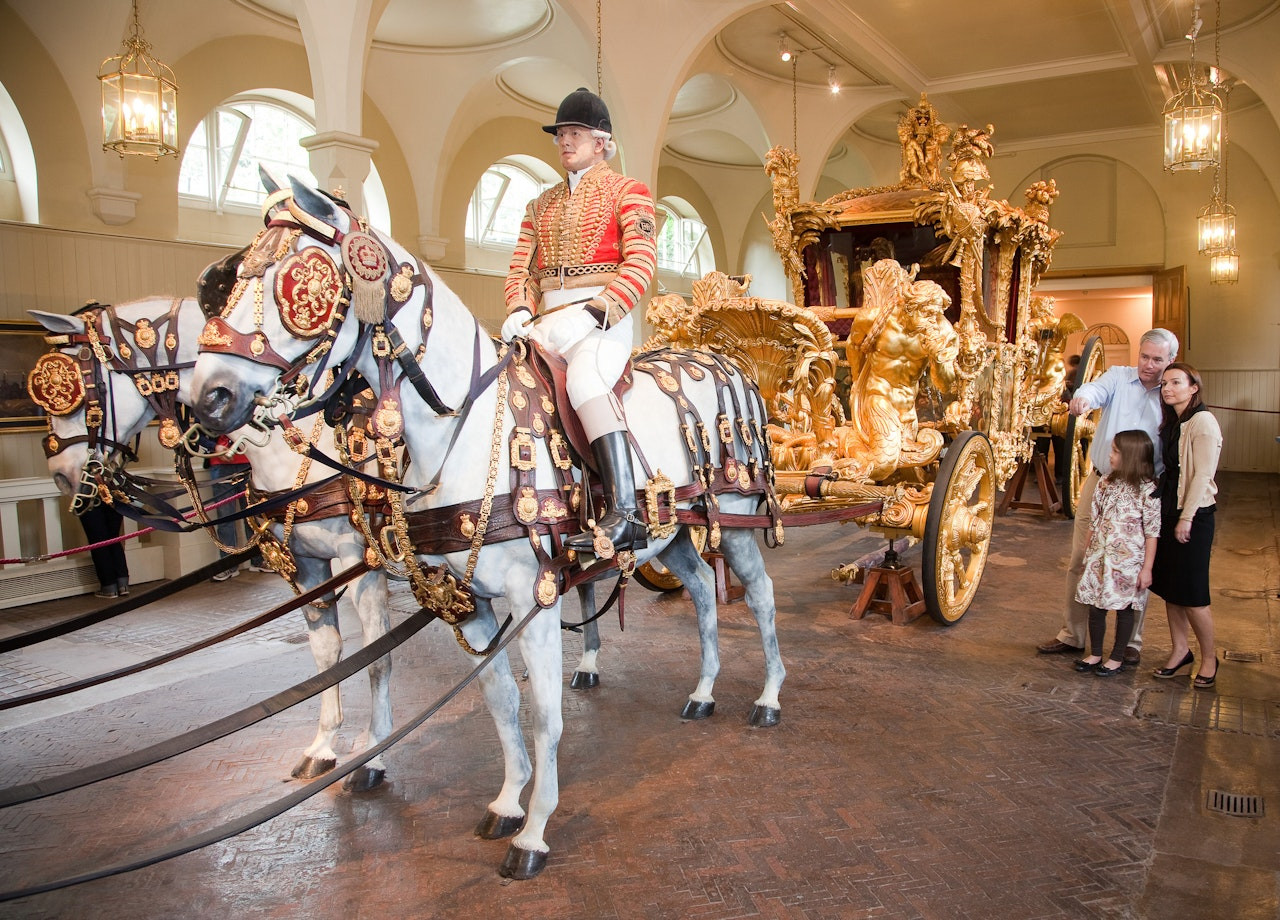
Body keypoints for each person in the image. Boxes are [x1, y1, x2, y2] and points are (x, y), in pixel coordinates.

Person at [501, 87, 658, 556]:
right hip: (547, 319)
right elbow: (520, 269)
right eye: (561, 135)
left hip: (601, 318)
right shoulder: (538, 204)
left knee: (587, 382)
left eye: (575, 133)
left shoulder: (629, 192)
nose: (565, 141)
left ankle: (626, 511)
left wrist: (596, 311)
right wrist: (518, 309)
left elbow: (641, 262)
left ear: (602, 142)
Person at [1036, 328, 1178, 664]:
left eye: (1157, 359)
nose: (1148, 365)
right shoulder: (1119, 377)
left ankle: (1130, 643)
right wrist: (1083, 399)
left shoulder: (1170, 392)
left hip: (1144, 490)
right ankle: (1073, 634)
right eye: (1144, 356)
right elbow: (1095, 389)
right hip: (1102, 484)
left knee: (1136, 569)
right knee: (1080, 560)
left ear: (1170, 360)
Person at [1150, 363, 1222, 689]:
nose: (1167, 388)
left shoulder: (1202, 422)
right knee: (1172, 589)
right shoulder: (1175, 421)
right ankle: (1181, 649)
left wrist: (1187, 517)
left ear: (1194, 387)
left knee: (1194, 595)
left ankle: (1209, 658)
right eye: (1165, 383)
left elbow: (1203, 476)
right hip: (1169, 512)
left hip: (1194, 515)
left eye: (1176, 382)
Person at [1072, 430, 1161, 675]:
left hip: (1128, 563)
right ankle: (1096, 653)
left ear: (1130, 457)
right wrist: (1086, 552)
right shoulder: (1106, 482)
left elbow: (1153, 533)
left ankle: (1117, 657)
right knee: (1096, 607)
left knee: (1124, 610)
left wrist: (1147, 569)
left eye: (1115, 452)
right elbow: (1094, 520)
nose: (1110, 456)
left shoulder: (1148, 491)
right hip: (1100, 557)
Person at [207, 437, 266, 581]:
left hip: (246, 462)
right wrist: (214, 446)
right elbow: (197, 433)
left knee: (253, 515)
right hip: (219, 465)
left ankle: (258, 560)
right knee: (225, 517)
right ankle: (229, 565)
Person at [79, 500, 129, 599]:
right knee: (114, 538)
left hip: (88, 496)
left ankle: (109, 586)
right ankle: (123, 584)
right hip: (113, 494)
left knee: (98, 542)